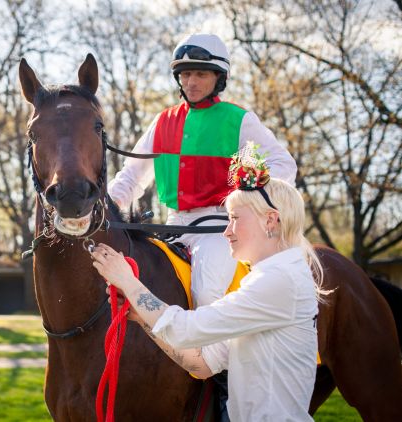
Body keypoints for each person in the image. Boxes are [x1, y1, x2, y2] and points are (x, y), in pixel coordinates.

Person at [92, 147, 323, 421]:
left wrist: (129, 282)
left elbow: (184, 330)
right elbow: (201, 364)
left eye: (235, 219)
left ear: (270, 220)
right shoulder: (269, 279)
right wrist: (141, 317)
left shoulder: (279, 280)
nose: (226, 231)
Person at [108, 33, 297, 310]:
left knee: (206, 293)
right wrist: (107, 208)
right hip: (170, 224)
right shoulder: (163, 121)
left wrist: (251, 199)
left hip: (217, 228)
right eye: (185, 75)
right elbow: (132, 176)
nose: (191, 82)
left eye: (200, 74)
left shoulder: (239, 120)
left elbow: (283, 166)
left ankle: (218, 355)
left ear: (218, 78)